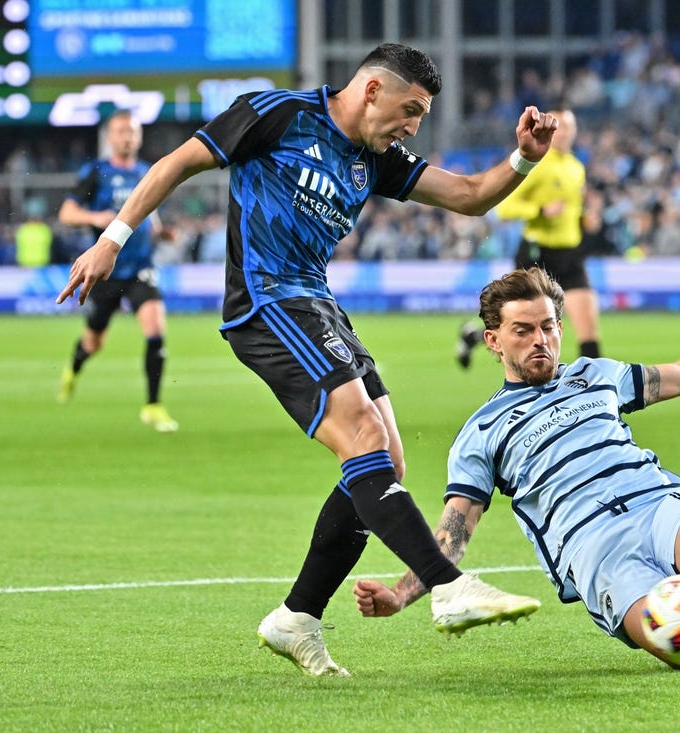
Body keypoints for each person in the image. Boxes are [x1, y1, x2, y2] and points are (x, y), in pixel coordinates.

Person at [56, 43, 560, 676]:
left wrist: (523, 158)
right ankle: (447, 585)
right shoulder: (278, 114)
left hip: (317, 305)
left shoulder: (373, 159)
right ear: (372, 90)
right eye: (410, 111)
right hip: (266, 301)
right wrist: (112, 238)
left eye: (421, 118)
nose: (412, 128)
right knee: (363, 436)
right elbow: (175, 164)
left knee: (385, 460)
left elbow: (470, 194)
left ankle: (298, 617)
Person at [354, 267, 680, 671]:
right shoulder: (481, 432)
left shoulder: (595, 376)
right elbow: (454, 533)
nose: (541, 341)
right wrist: (401, 594)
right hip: (593, 548)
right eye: (523, 330)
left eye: (549, 327)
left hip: (654, 500)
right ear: (492, 341)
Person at [56, 109, 178, 432]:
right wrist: (96, 219)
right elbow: (67, 213)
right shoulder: (96, 172)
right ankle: (74, 367)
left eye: (132, 132)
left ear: (138, 137)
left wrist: (161, 232)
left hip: (141, 268)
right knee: (94, 342)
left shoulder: (146, 172)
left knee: (155, 328)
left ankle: (153, 405)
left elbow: (148, 214)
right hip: (106, 273)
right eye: (121, 131)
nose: (127, 137)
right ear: (110, 137)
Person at [456, 108, 601, 368]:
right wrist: (540, 210)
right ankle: (475, 336)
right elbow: (505, 207)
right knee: (517, 326)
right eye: (560, 127)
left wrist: (583, 217)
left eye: (569, 127)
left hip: (570, 253)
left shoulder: (576, 167)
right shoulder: (538, 165)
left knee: (589, 333)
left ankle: (593, 400)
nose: (564, 132)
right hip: (538, 254)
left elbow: (571, 206)